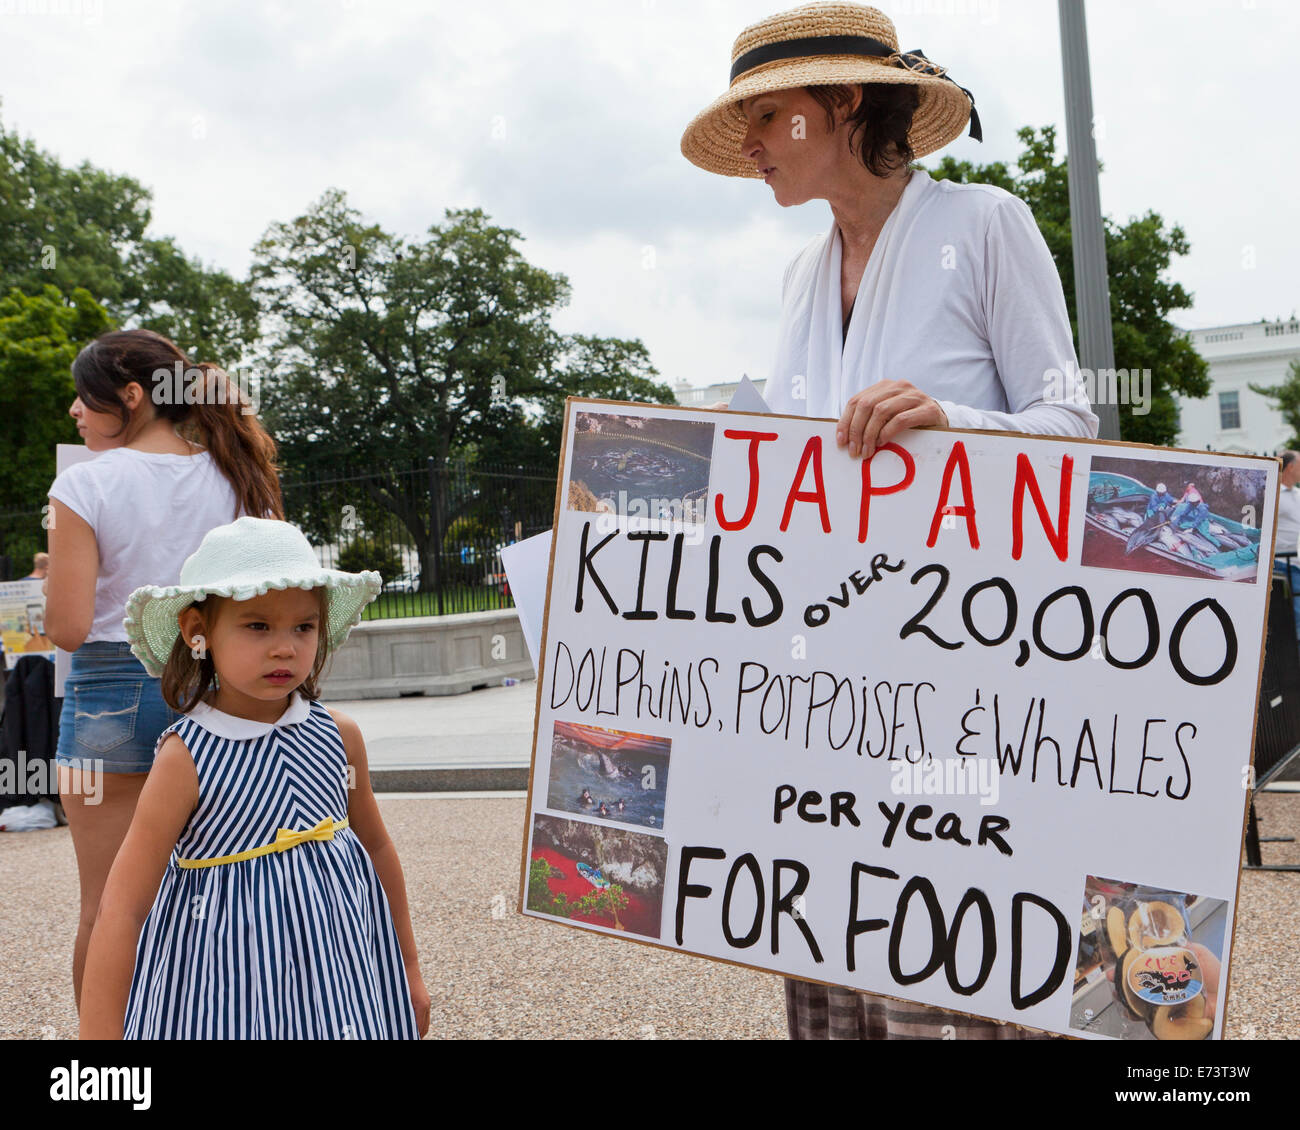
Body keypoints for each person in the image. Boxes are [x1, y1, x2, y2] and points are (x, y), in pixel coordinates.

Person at [681, 2, 1097, 1040]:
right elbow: (786, 489)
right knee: (838, 969)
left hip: (962, 676)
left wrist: (947, 419)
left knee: (951, 963)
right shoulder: (795, 280)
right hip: (826, 689)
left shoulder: (984, 223)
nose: (757, 146)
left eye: (772, 117)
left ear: (844, 100)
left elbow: (1073, 427)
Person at [79, 517, 430, 1039]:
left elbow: (376, 848)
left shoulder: (338, 735)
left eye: (303, 626)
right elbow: (124, 906)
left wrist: (408, 972)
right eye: (258, 625)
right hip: (223, 990)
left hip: (341, 984)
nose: (285, 647)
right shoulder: (186, 756)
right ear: (198, 631)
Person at [45, 328, 284, 1012]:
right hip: (219, 689)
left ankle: (105, 1065)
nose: (74, 410)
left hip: (109, 697)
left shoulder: (83, 484)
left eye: (82, 395)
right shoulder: (239, 473)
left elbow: (65, 626)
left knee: (107, 907)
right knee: (232, 895)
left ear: (130, 396)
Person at [1272, 451, 1300, 641]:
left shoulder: (1297, 493)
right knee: (1296, 613)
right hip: (1284, 564)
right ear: (1290, 467)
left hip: (1296, 562)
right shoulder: (1274, 495)